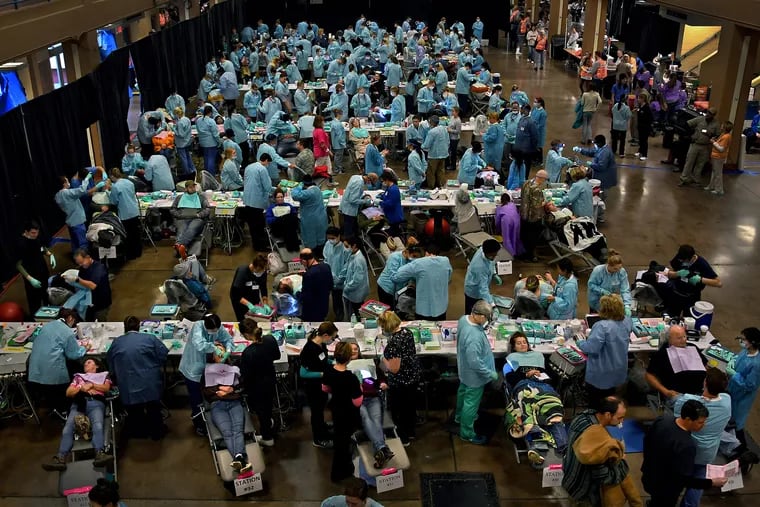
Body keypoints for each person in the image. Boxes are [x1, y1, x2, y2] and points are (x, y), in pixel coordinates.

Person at [642, 400, 727, 505]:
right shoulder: (686, 446)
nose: (703, 426)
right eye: (700, 422)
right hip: (667, 490)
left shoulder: (662, 420)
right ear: (688, 419)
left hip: (649, 476)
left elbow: (647, 441)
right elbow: (683, 479)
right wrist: (711, 483)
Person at [562, 397, 643, 507]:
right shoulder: (595, 440)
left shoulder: (581, 418)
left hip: (570, 479)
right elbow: (604, 477)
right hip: (584, 492)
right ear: (608, 415)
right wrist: (620, 462)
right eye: (620, 417)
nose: (622, 421)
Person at [673, 368, 732, 507]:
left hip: (687, 450)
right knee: (697, 483)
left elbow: (677, 419)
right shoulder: (727, 401)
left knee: (677, 480)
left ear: (705, 383)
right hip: (708, 452)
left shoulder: (687, 400)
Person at [41, 358, 114, 471]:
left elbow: (106, 388)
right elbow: (68, 392)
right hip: (79, 403)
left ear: (97, 366)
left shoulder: (104, 375)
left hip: (95, 403)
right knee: (67, 429)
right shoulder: (78, 377)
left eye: (89, 362)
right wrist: (81, 388)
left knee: (98, 425)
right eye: (85, 363)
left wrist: (91, 385)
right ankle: (61, 458)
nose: (86, 364)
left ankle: (99, 454)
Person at [107, 316, 168, 440]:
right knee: (154, 409)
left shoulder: (117, 342)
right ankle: (157, 433)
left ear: (125, 328)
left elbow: (110, 363)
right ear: (139, 326)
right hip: (149, 382)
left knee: (135, 412)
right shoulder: (149, 338)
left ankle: (139, 432)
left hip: (129, 385)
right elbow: (163, 355)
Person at [178, 314, 233, 436]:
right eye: (212, 331)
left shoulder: (217, 327)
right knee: (197, 400)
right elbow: (200, 344)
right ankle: (200, 425)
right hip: (193, 369)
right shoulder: (198, 327)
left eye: (216, 330)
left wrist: (228, 350)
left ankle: (212, 421)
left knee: (209, 399)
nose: (214, 333)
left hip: (207, 370)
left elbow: (228, 339)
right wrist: (215, 348)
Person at [202, 343, 252, 473]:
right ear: (212, 355)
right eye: (217, 352)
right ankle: (240, 458)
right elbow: (206, 391)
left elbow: (243, 387)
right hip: (217, 405)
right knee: (227, 433)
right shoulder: (207, 370)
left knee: (237, 430)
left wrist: (231, 390)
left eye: (222, 351)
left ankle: (238, 459)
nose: (220, 354)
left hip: (234, 402)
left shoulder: (235, 368)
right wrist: (221, 390)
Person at [455, 300, 498, 445]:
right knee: (471, 404)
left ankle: (459, 416)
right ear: (479, 316)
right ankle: (467, 433)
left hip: (464, 370)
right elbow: (474, 362)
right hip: (475, 376)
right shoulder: (474, 337)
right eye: (486, 317)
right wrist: (488, 373)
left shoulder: (463, 319)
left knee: (462, 393)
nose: (487, 321)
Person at [346, 342, 394, 468]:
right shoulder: (344, 367)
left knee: (377, 422)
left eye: (356, 349)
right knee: (366, 417)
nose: (354, 351)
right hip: (357, 400)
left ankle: (381, 450)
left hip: (372, 397)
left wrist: (383, 383)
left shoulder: (368, 363)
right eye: (351, 349)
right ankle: (382, 448)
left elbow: (381, 377)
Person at [577, 294, 632, 405]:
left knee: (598, 403)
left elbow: (591, 348)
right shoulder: (627, 321)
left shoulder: (602, 326)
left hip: (602, 373)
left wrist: (580, 341)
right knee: (611, 400)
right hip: (619, 369)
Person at [28, 309, 85, 414]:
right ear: (71, 318)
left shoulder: (47, 326)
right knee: (76, 368)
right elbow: (73, 354)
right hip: (52, 375)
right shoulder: (67, 332)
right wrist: (85, 348)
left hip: (35, 371)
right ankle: (63, 410)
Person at [322, 342, 363, 483]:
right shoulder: (350, 378)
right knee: (343, 443)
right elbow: (357, 402)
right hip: (348, 413)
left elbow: (325, 388)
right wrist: (361, 389)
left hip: (336, 409)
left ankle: (342, 470)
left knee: (339, 439)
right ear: (348, 358)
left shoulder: (328, 370)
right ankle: (341, 472)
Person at [380, 310, 421, 446]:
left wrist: (383, 359)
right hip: (413, 376)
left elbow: (394, 368)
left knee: (400, 411)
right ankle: (411, 432)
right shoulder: (407, 332)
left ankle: (403, 438)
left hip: (401, 382)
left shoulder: (394, 344)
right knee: (410, 407)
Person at [239, 319, 280, 447]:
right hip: (270, 380)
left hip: (257, 387)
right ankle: (268, 422)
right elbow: (277, 356)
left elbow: (246, 376)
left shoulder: (248, 353)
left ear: (245, 335)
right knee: (267, 406)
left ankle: (267, 438)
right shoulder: (270, 340)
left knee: (261, 411)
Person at [646, 325, 707, 408]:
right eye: (679, 338)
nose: (684, 340)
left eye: (684, 336)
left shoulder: (693, 347)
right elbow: (649, 375)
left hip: (701, 392)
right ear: (670, 340)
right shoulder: (662, 354)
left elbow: (706, 366)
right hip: (679, 396)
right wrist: (666, 391)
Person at [299, 322, 338, 449]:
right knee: (316, 412)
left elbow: (323, 359)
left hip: (322, 386)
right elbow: (303, 373)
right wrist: (323, 373)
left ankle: (322, 426)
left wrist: (333, 363)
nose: (332, 340)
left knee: (321, 408)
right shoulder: (309, 350)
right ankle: (318, 439)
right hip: (313, 387)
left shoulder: (320, 344)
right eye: (332, 338)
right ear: (325, 335)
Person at [392, 243, 452, 321]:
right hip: (441, 308)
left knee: (423, 331)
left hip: (424, 310)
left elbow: (397, 276)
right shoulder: (445, 261)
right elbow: (448, 279)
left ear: (426, 253)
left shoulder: (419, 263)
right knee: (439, 330)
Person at [659, 244, 722, 317]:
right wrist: (677, 273)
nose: (683, 262)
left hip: (691, 297)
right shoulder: (680, 257)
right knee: (670, 317)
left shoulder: (702, 264)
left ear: (692, 257)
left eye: (685, 260)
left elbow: (718, 283)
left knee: (688, 320)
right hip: (676, 293)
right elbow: (671, 270)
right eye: (681, 260)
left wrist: (700, 279)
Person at [727, 327, 760, 453]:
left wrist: (733, 374)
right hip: (733, 389)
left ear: (752, 342)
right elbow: (738, 359)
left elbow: (750, 385)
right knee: (731, 417)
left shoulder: (757, 364)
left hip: (742, 397)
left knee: (737, 424)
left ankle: (743, 451)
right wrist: (732, 361)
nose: (741, 341)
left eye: (744, 339)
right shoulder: (745, 351)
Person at [55, 171, 104, 252]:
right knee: (83, 243)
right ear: (63, 184)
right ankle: (85, 260)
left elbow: (77, 194)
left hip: (70, 221)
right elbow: (81, 190)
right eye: (67, 181)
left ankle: (76, 258)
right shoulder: (67, 193)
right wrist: (87, 179)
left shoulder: (57, 196)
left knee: (74, 241)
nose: (68, 182)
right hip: (77, 221)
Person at [16, 220, 55, 316]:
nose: (36, 235)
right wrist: (30, 279)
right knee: (34, 300)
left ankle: (48, 313)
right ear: (26, 231)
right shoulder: (21, 244)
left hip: (42, 270)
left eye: (37, 232)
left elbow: (42, 247)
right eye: (33, 233)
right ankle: (36, 317)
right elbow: (18, 265)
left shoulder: (36, 237)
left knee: (45, 294)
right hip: (32, 275)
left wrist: (50, 254)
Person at [679, 108, 721, 187]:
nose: (708, 114)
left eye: (710, 113)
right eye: (708, 112)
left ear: (713, 115)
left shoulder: (716, 124)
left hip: (705, 146)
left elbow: (718, 135)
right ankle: (683, 178)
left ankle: (695, 179)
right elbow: (687, 124)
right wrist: (690, 135)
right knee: (689, 162)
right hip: (695, 144)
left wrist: (711, 136)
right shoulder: (700, 119)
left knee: (700, 164)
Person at [243, 153, 275, 252]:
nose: (268, 165)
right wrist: (276, 190)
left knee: (252, 226)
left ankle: (255, 245)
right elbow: (267, 187)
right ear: (265, 160)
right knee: (259, 225)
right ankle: (261, 246)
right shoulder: (262, 169)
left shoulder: (249, 167)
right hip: (257, 202)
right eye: (268, 163)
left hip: (247, 200)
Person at [171, 180, 210, 260]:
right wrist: (179, 215)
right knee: (181, 230)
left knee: (191, 229)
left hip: (196, 218)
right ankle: (181, 247)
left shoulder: (201, 197)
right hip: (182, 218)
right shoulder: (179, 198)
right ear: (186, 189)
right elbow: (172, 209)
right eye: (190, 187)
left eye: (194, 187)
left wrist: (199, 215)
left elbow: (207, 209)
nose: (193, 188)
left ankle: (179, 245)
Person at [108, 168, 142, 260]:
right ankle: (138, 252)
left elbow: (114, 201)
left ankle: (131, 255)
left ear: (112, 176)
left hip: (125, 213)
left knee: (128, 235)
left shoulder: (115, 186)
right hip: (134, 210)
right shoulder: (129, 182)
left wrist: (108, 192)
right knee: (136, 233)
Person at [71, 248, 111, 321]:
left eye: (82, 262)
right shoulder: (83, 268)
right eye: (78, 263)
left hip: (100, 304)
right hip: (89, 303)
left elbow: (93, 285)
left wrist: (77, 280)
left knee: (100, 324)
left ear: (88, 257)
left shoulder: (99, 268)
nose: (80, 265)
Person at [464, 239, 502, 313]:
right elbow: (482, 288)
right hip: (473, 291)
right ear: (486, 253)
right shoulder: (479, 266)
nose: (494, 257)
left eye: (495, 255)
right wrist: (492, 305)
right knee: (472, 313)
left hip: (480, 283)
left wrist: (494, 273)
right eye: (492, 255)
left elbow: (492, 262)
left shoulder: (484, 249)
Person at [519, 169, 548, 263]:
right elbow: (537, 205)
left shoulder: (526, 183)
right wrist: (545, 202)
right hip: (533, 217)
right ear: (542, 179)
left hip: (524, 213)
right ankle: (530, 256)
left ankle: (523, 254)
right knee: (532, 238)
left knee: (524, 235)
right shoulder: (537, 189)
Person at [507, 105, 538, 190]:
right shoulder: (521, 119)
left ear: (527, 110)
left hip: (526, 151)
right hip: (518, 150)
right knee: (516, 169)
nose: (521, 111)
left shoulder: (531, 122)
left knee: (524, 170)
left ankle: (524, 186)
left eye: (523, 110)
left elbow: (535, 137)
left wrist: (533, 149)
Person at [299, 248, 334, 322]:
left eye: (302, 263)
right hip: (324, 307)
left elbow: (306, 297)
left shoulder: (308, 275)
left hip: (311, 312)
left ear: (304, 261)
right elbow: (331, 285)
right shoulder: (326, 267)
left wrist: (298, 294)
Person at [339, 173, 378, 239]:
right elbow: (353, 200)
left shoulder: (355, 176)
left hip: (346, 206)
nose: (368, 184)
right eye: (370, 183)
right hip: (349, 210)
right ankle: (349, 242)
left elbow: (356, 192)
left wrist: (364, 195)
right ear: (368, 179)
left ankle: (351, 239)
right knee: (349, 229)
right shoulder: (359, 184)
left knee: (352, 226)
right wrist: (366, 201)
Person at [340, 236, 370, 320]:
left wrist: (346, 287)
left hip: (356, 292)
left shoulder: (359, 260)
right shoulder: (352, 254)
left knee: (356, 315)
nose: (345, 249)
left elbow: (357, 280)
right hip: (352, 291)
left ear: (354, 246)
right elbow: (347, 267)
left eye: (346, 246)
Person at [422, 115, 449, 189]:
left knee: (431, 172)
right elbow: (448, 141)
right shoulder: (444, 129)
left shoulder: (432, 132)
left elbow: (427, 145)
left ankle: (432, 187)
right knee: (440, 171)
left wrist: (421, 146)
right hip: (444, 153)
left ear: (431, 122)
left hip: (434, 155)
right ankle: (440, 186)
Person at [706, 120, 732, 196]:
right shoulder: (724, 135)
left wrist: (713, 142)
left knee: (717, 173)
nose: (721, 126)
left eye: (722, 125)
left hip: (719, 157)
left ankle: (719, 189)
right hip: (716, 156)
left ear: (725, 127)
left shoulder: (726, 137)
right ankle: (711, 186)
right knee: (714, 172)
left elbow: (721, 149)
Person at [495, 193, 523, 257]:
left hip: (506, 221)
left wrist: (497, 229)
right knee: (515, 236)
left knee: (507, 238)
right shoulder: (513, 205)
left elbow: (497, 221)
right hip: (516, 220)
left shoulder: (499, 208)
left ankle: (509, 254)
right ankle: (518, 251)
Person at [197, 105, 222, 174]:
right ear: (211, 112)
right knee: (211, 159)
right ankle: (211, 176)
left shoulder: (198, 120)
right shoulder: (211, 121)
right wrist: (219, 142)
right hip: (211, 143)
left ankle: (206, 175)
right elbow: (215, 134)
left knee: (206, 159)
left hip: (202, 143)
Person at [378, 170, 404, 237]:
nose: (383, 183)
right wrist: (381, 196)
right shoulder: (389, 188)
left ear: (387, 180)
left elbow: (390, 204)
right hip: (390, 216)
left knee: (394, 235)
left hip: (394, 217)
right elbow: (386, 195)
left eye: (383, 181)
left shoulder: (394, 189)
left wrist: (380, 203)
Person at [633, 93, 653, 161]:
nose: (638, 99)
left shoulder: (647, 108)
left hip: (645, 127)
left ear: (643, 99)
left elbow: (650, 118)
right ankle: (640, 151)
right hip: (640, 126)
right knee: (641, 140)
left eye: (639, 98)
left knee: (644, 141)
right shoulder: (640, 106)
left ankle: (645, 154)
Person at [330, 109, 347, 175]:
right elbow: (340, 136)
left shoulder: (333, 122)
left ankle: (337, 169)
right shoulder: (338, 124)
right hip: (339, 144)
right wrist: (343, 143)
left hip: (335, 143)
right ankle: (337, 170)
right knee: (338, 157)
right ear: (339, 115)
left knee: (337, 157)